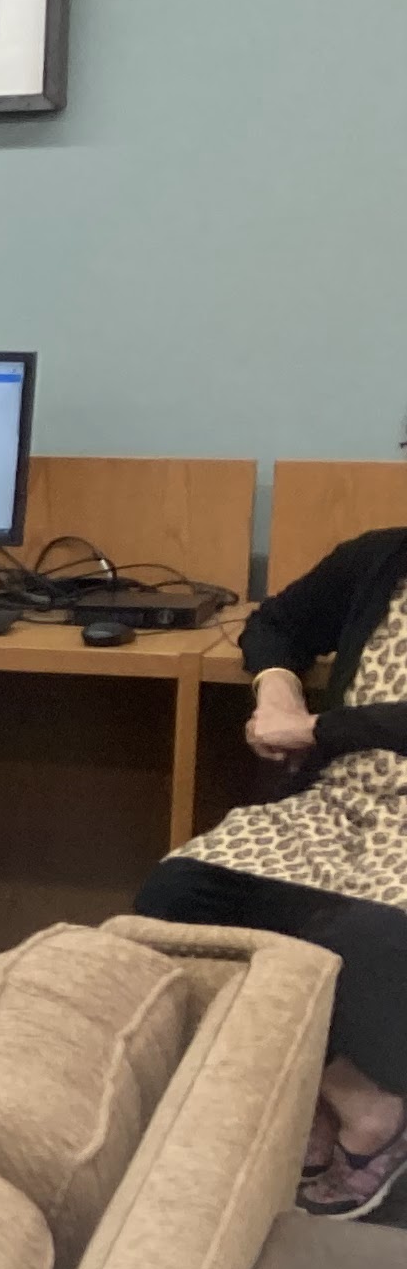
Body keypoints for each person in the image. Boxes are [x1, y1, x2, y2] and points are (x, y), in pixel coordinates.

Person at [134, 509, 407, 1219]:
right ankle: (348, 1095)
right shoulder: (381, 558)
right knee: (180, 896)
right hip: (341, 801)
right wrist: (276, 686)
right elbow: (275, 620)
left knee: (360, 937)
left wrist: (318, 726)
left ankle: (352, 1113)